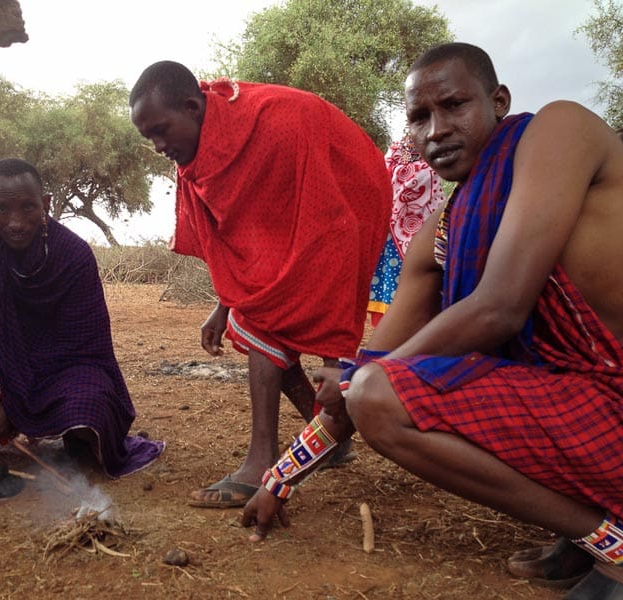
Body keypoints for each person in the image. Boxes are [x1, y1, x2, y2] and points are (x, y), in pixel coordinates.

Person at [242, 42, 623, 599]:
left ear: (499, 101)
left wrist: (355, 385)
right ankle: (598, 536)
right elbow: (373, 374)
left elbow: (499, 307)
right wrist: (279, 482)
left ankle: (613, 550)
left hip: (609, 407)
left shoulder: (560, 130)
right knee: (378, 389)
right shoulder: (447, 232)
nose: (436, 130)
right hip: (580, 415)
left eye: (453, 105)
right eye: (419, 117)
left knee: (374, 388)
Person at [129, 61, 392, 508]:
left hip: (344, 204)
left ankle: (263, 460)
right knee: (259, 313)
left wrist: (248, 301)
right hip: (303, 216)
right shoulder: (194, 158)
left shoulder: (275, 121)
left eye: (161, 130)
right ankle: (329, 433)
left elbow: (323, 205)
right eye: (147, 137)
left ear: (192, 107)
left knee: (267, 314)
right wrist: (224, 303)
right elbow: (238, 240)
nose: (157, 146)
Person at [0, 128, 164, 485]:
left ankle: (55, 433)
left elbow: (84, 349)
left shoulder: (72, 254)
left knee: (91, 407)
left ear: (45, 203)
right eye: (1, 208)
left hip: (57, 373)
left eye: (28, 207)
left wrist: (14, 408)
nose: (15, 222)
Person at [367, 131, 446, 327]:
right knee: (397, 284)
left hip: (398, 235)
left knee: (397, 284)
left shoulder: (401, 159)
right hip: (400, 237)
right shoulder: (427, 164)